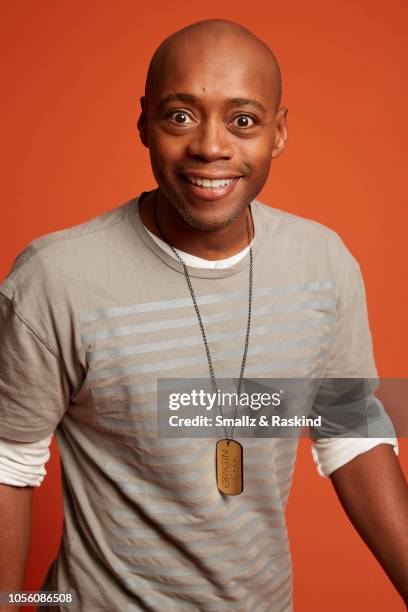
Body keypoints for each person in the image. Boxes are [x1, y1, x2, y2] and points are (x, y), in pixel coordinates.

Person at [0, 18, 407, 612]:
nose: (211, 146)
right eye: (181, 115)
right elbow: (8, 462)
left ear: (279, 132)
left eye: (243, 120)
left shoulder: (323, 261)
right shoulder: (56, 278)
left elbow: (350, 431)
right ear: (143, 122)